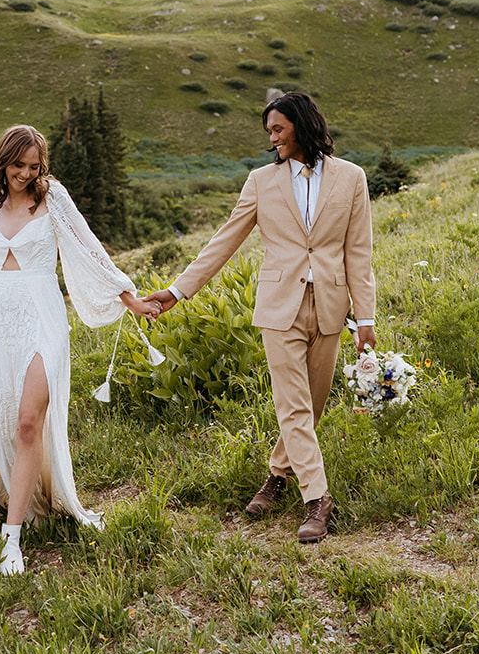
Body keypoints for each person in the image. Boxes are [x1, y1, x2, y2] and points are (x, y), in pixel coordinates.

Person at [0, 124, 158, 576]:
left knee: (28, 422)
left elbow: (89, 249)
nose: (26, 174)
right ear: (3, 162)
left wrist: (130, 297)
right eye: (18, 166)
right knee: (2, 421)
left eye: (34, 166)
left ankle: (13, 539)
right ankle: (2, 492)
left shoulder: (53, 197)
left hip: (43, 316)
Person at [149, 92, 377, 545]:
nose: (271, 139)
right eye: (269, 132)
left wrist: (365, 317)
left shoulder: (352, 178)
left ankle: (277, 475)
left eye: (277, 129)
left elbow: (359, 252)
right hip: (278, 308)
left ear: (301, 125)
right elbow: (224, 239)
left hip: (331, 306)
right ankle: (318, 500)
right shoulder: (260, 181)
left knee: (309, 407)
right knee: (292, 406)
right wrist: (178, 291)